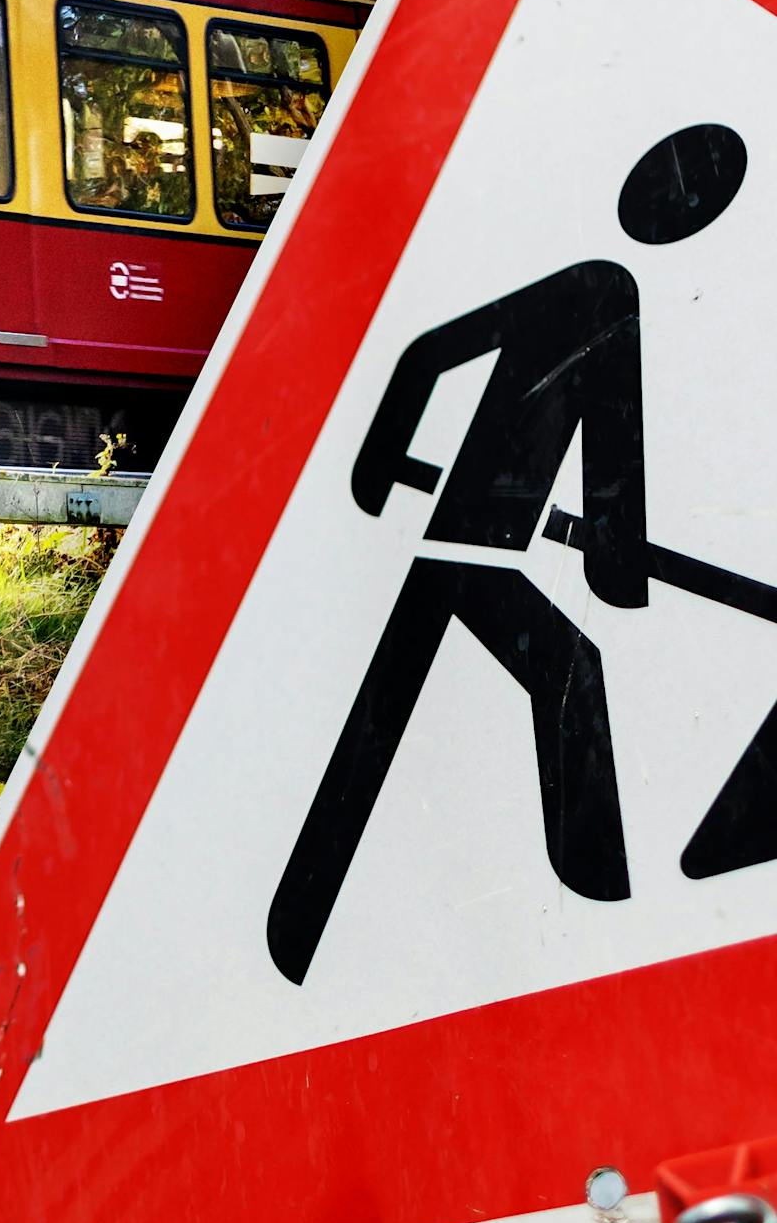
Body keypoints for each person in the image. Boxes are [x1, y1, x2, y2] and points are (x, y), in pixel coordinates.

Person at [266, 122, 749, 985]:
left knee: (397, 715)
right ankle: (596, 907)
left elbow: (588, 442)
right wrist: (614, 560)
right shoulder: (602, 288)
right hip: (466, 545)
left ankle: (297, 923)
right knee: (551, 674)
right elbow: (603, 450)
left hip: (475, 549)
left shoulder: (593, 285)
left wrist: (612, 555)